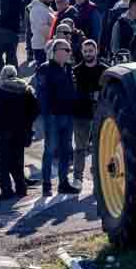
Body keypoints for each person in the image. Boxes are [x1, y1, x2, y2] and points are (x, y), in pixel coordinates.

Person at [34, 39, 78, 196]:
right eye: (66, 50)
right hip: (53, 117)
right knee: (50, 150)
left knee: (66, 150)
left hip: (68, 115)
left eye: (69, 50)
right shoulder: (44, 69)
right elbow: (41, 94)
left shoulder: (68, 68)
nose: (69, 53)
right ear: (56, 51)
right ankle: (46, 185)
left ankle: (63, 183)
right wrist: (49, 114)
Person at [0, 65, 39, 200]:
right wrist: (26, 123)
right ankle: (21, 188)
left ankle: (7, 190)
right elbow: (35, 109)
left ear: (2, 76)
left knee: (3, 163)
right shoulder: (26, 89)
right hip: (21, 131)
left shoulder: (0, 91)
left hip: (3, 132)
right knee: (18, 161)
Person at [73, 40, 107, 189]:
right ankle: (77, 178)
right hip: (81, 114)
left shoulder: (105, 70)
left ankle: (97, 179)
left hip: (100, 115)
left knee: (98, 149)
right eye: (85, 51)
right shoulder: (76, 71)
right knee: (80, 148)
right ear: (82, 52)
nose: (88, 54)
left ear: (96, 51)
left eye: (90, 51)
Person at [27, 0, 57, 65]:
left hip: (46, 45)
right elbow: (43, 28)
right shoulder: (37, 9)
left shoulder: (45, 7)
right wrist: (57, 35)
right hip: (41, 46)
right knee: (43, 69)